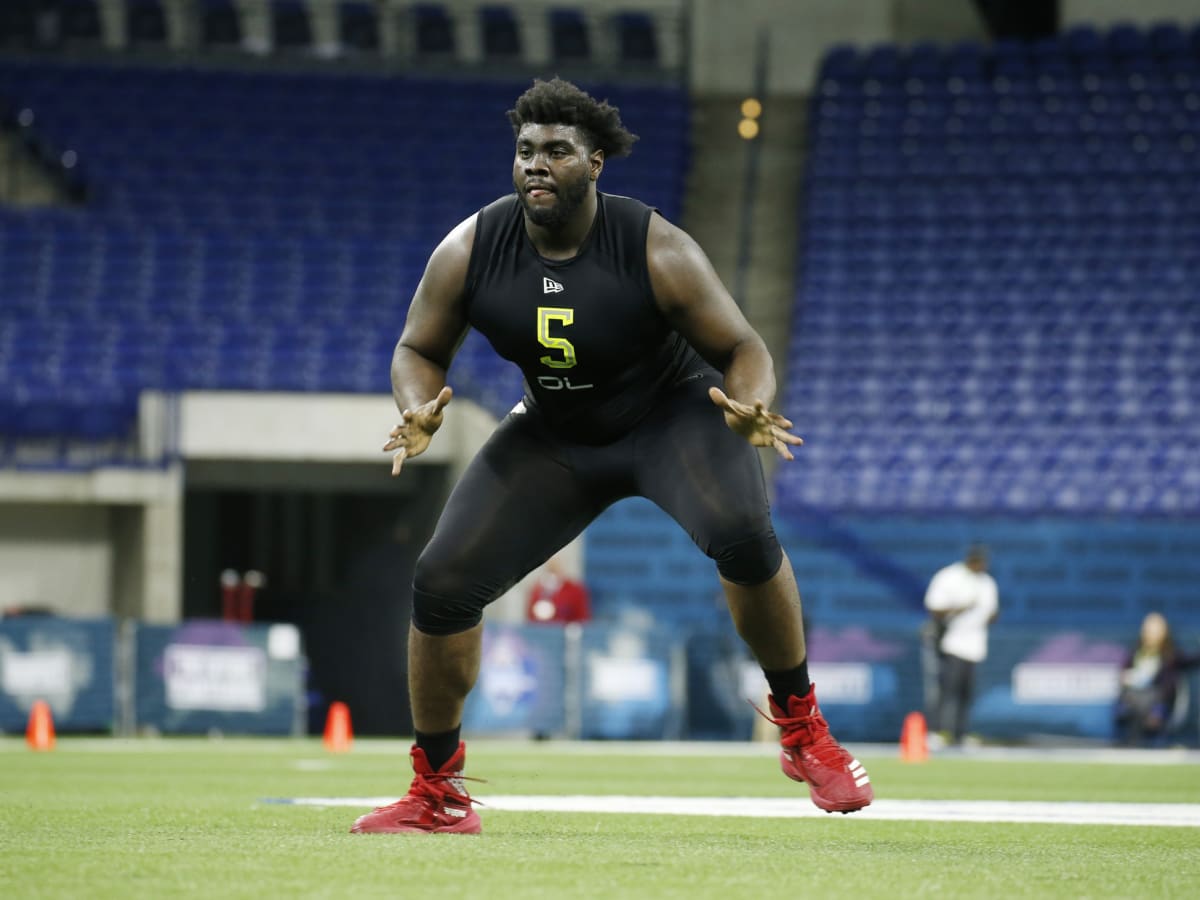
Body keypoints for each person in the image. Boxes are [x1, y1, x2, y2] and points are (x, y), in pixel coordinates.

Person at [350, 78, 873, 835]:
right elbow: (417, 348)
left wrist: (751, 404)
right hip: (557, 432)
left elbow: (743, 346)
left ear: (595, 163)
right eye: (525, 150)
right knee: (441, 583)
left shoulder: (654, 246)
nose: (536, 164)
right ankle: (437, 793)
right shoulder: (469, 247)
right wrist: (418, 403)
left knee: (744, 535)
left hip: (670, 419)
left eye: (557, 151)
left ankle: (802, 729)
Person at [923, 545, 999, 748]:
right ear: (970, 560)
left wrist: (989, 616)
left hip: (975, 644)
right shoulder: (950, 577)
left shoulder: (986, 582)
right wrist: (961, 609)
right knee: (947, 689)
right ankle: (936, 731)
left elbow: (992, 611)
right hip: (951, 642)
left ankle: (960, 734)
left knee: (967, 692)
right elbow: (934, 607)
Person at [1115, 611, 1200, 747]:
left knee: (1156, 697)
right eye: (1148, 628)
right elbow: (1123, 672)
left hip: (1159, 700)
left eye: (1156, 629)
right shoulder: (1136, 652)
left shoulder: (1171, 655)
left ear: (1164, 632)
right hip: (1136, 698)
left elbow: (1192, 660)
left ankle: (1156, 716)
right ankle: (1129, 722)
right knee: (1130, 698)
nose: (1151, 633)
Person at [526, 554, 591, 625]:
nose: (554, 569)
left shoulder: (575, 590)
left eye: (556, 567)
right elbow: (531, 620)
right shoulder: (537, 590)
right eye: (551, 569)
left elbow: (582, 618)